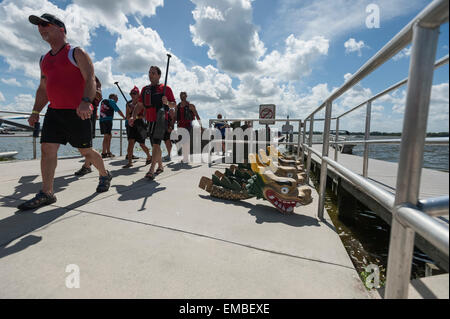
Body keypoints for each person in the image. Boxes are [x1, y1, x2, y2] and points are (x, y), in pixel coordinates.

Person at [18, 13, 112, 210]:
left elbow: (91, 80)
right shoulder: (43, 59)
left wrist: (86, 101)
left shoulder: (76, 53)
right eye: (38, 26)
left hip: (78, 112)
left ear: (61, 29)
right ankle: (47, 192)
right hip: (54, 112)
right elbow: (43, 89)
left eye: (45, 24)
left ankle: (104, 174)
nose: (40, 28)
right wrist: (36, 111)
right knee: (47, 149)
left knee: (85, 151)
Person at [129, 65, 176, 180]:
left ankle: (151, 170)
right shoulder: (145, 89)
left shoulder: (166, 88)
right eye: (149, 73)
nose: (151, 75)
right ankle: (160, 166)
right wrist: (133, 116)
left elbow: (174, 105)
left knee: (156, 144)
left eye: (153, 73)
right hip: (149, 120)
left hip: (161, 120)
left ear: (159, 75)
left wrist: (167, 102)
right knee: (155, 145)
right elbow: (139, 105)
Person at [74, 75, 102, 176]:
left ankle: (87, 166)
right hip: (72, 111)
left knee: (86, 140)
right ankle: (88, 164)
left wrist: (85, 98)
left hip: (87, 111)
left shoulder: (93, 78)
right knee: (78, 140)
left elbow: (99, 95)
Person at [123, 86, 152, 168]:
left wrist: (136, 116)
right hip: (132, 125)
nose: (132, 95)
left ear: (138, 95)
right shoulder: (128, 104)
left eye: (134, 93)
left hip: (140, 125)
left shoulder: (142, 104)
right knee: (130, 143)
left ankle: (149, 157)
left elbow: (144, 116)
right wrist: (130, 112)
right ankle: (129, 162)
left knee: (142, 144)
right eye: (131, 93)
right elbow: (127, 117)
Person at [174, 91, 202, 158]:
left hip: (188, 126)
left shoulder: (191, 106)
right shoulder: (177, 106)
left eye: (184, 95)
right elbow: (175, 117)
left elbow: (197, 116)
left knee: (186, 141)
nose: (182, 96)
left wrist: (201, 126)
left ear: (186, 96)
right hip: (179, 126)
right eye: (181, 95)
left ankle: (185, 157)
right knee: (180, 142)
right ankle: (183, 155)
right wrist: (171, 125)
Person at [99, 93, 126, 158]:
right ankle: (103, 153)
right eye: (116, 97)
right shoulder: (111, 101)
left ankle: (108, 152)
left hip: (102, 120)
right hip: (107, 121)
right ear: (113, 97)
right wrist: (124, 117)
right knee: (106, 136)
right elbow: (118, 110)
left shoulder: (103, 101)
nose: (117, 99)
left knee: (109, 135)